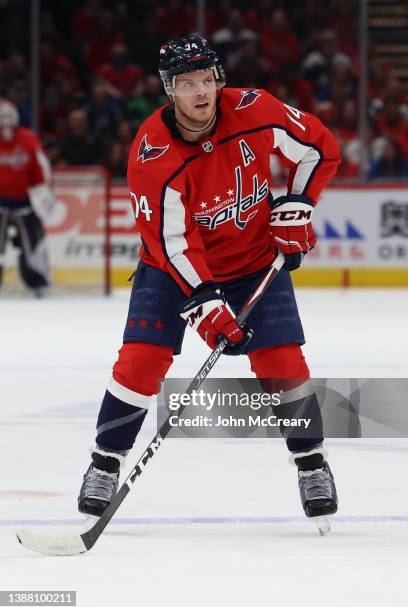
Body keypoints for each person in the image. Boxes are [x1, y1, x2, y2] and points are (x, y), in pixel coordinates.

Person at [78, 35, 341, 524]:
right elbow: (172, 243)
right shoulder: (152, 156)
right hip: (171, 268)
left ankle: (311, 463)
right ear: (168, 91)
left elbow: (319, 149)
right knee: (140, 361)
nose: (200, 92)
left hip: (255, 261)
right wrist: (204, 301)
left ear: (218, 80)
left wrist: (299, 203)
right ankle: (105, 463)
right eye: (186, 84)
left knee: (283, 362)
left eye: (206, 80)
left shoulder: (257, 109)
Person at [0, 99, 54, 295]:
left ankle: (37, 282)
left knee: (33, 244)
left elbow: (41, 167)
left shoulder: (28, 138)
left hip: (25, 202)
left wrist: (43, 191)